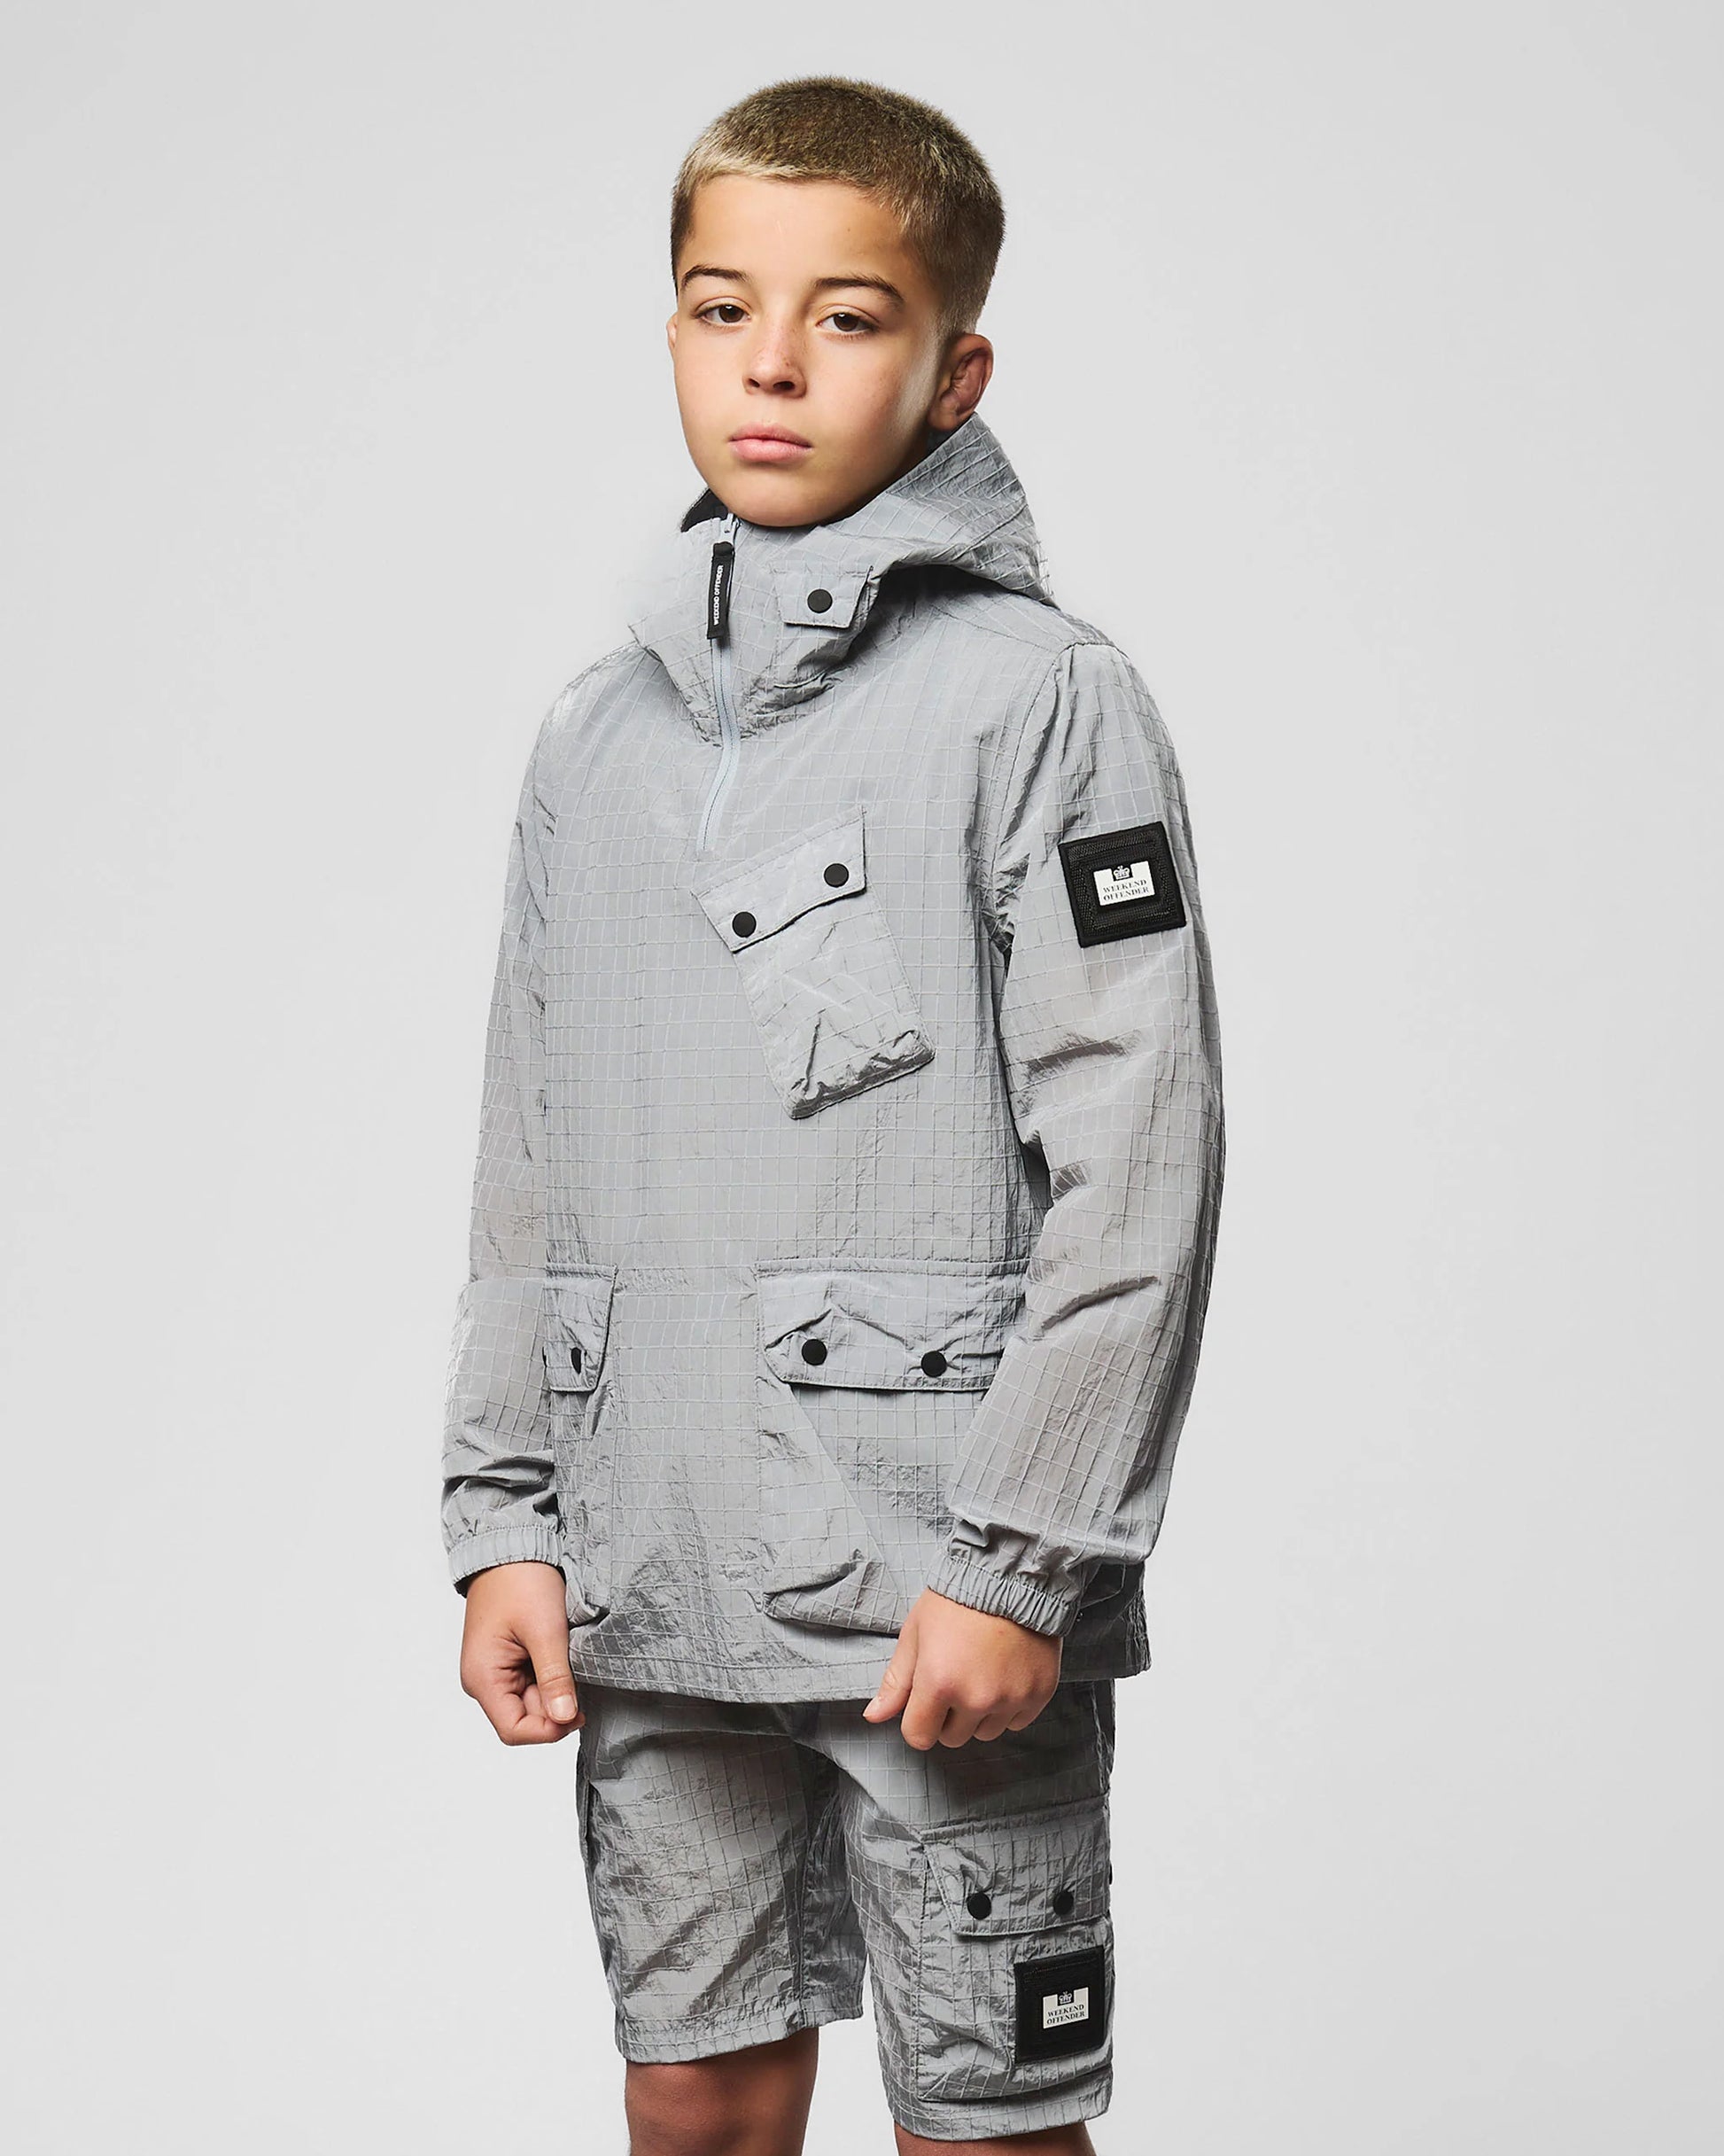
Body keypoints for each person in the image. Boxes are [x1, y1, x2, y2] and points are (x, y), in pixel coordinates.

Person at [439, 74, 1225, 2153]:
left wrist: (1027, 1559)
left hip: (926, 1570)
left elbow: (1140, 1167)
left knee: (987, 2122)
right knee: (689, 2094)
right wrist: (503, 1514)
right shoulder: (592, 736)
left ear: (954, 370)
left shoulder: (1041, 697)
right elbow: (528, 1144)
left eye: (846, 315)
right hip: (647, 1562)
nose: (770, 363)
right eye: (722, 308)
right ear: (673, 333)